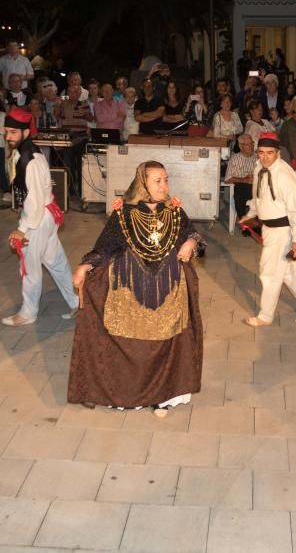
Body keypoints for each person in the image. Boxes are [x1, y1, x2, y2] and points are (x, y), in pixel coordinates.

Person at [68, 162, 204, 416]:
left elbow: (194, 235)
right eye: (157, 181)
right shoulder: (124, 214)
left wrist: (189, 242)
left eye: (165, 180)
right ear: (143, 184)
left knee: (166, 341)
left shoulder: (174, 211)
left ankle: (165, 396)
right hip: (130, 289)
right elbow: (105, 246)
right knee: (132, 344)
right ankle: (127, 393)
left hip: (167, 289)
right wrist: (84, 266)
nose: (164, 186)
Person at [1, 109, 80, 326]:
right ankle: (76, 301)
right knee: (55, 261)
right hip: (45, 216)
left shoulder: (31, 161)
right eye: (6, 131)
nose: (8, 137)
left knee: (29, 267)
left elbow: (34, 199)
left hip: (37, 219)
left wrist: (22, 229)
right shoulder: (26, 154)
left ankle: (28, 313)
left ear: (26, 132)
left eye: (13, 132)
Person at [240, 132, 296, 327]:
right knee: (290, 272)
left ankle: (265, 316)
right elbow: (259, 195)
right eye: (261, 152)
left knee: (269, 272)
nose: (264, 157)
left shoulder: (284, 176)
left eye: (270, 153)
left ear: (278, 153)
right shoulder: (260, 167)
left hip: (283, 231)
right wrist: (251, 213)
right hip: (268, 228)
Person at [224, 133, 258, 220]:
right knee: (241, 191)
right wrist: (244, 179)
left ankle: (260, 224)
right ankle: (244, 222)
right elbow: (228, 179)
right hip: (242, 185)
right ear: (241, 146)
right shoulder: (235, 159)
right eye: (248, 144)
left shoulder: (257, 157)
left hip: (257, 185)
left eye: (252, 143)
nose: (251, 146)